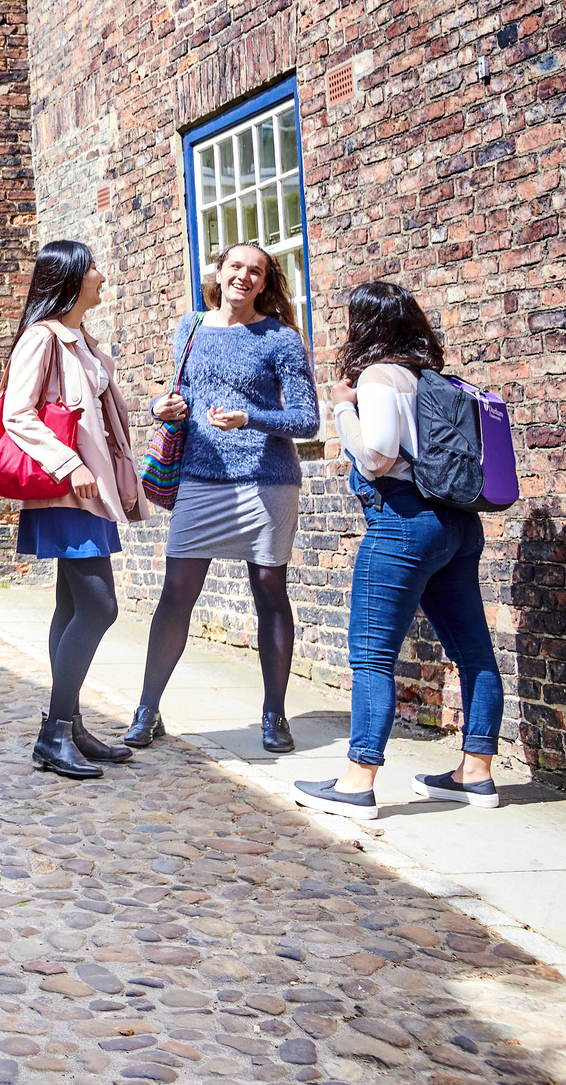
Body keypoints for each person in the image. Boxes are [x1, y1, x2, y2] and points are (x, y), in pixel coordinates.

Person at [294, 281, 504, 821]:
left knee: (371, 656)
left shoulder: (380, 377)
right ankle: (474, 774)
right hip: (458, 525)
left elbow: (377, 457)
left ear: (363, 326)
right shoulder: (436, 380)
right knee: (474, 652)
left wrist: (342, 409)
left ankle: (357, 781)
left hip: (406, 523)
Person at [126, 243, 321, 754]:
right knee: (176, 594)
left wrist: (249, 417)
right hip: (199, 478)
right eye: (236, 266)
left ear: (264, 282)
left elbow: (306, 420)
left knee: (269, 594)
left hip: (266, 479)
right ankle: (147, 709)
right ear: (220, 271)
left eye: (255, 271)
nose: (244, 276)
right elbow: (182, 397)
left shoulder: (280, 338)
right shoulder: (189, 328)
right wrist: (160, 406)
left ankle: (275, 715)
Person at [0, 240, 148, 780]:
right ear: (70, 279)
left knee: (71, 608)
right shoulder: (42, 339)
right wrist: (70, 464)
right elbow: (17, 414)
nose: (101, 276)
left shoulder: (81, 340)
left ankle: (72, 726)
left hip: (90, 491)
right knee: (99, 607)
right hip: (68, 491)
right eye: (92, 269)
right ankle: (53, 733)